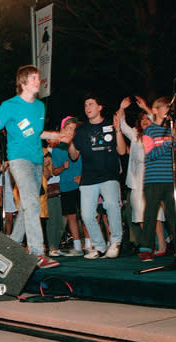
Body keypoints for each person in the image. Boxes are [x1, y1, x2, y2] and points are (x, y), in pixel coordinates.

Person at [0, 65, 63, 268]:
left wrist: (56, 135)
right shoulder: (9, 105)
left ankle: (9, 246)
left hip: (37, 160)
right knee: (31, 202)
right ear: (23, 83)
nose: (39, 81)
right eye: (34, 78)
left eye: (39, 78)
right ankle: (37, 252)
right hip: (19, 160)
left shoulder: (39, 107)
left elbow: (35, 133)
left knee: (28, 206)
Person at [62, 93, 127, 259]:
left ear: (99, 107)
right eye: (85, 105)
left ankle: (115, 242)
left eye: (91, 104)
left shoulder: (110, 125)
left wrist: (118, 130)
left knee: (112, 205)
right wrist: (69, 141)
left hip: (109, 175)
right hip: (89, 178)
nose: (87, 108)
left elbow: (121, 151)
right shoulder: (81, 130)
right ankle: (99, 246)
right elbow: (74, 156)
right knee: (86, 215)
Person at [136, 97, 176, 261]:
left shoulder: (172, 130)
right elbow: (150, 154)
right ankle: (146, 249)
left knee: (175, 215)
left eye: (169, 108)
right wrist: (168, 144)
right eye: (165, 107)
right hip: (153, 180)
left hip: (171, 180)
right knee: (150, 215)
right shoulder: (149, 131)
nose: (168, 110)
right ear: (155, 110)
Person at [117, 97, 167, 255]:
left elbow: (158, 118)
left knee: (155, 213)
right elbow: (121, 125)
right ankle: (149, 244)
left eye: (147, 118)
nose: (145, 121)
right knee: (140, 214)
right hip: (138, 179)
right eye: (142, 119)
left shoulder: (157, 132)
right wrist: (122, 107)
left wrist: (146, 107)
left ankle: (162, 245)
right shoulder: (135, 136)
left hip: (153, 175)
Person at [51, 116, 90, 257]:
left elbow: (90, 163)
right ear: (62, 130)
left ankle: (90, 245)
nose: (71, 132)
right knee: (72, 217)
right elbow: (54, 171)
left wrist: (83, 177)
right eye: (68, 129)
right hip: (66, 186)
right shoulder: (57, 150)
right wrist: (62, 167)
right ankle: (77, 247)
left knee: (86, 215)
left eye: (74, 129)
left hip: (82, 185)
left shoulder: (82, 145)